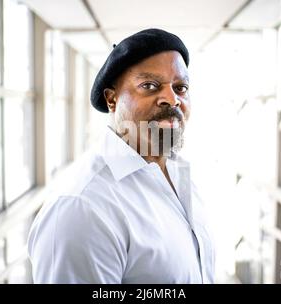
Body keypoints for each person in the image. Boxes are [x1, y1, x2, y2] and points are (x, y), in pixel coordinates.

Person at [27, 28, 215, 283]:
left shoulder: (178, 174)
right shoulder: (83, 208)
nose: (172, 99)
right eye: (149, 86)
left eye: (181, 87)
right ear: (112, 99)